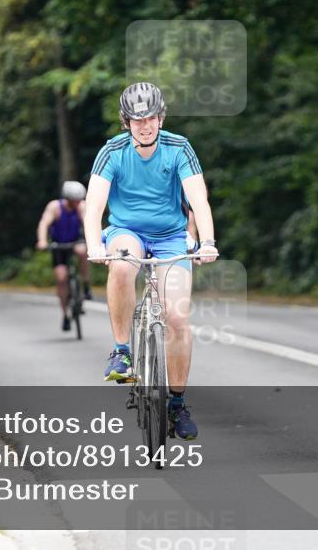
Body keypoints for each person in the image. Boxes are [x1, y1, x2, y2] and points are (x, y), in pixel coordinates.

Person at [84, 81, 218, 441]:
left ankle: (176, 403)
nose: (145, 126)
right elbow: (95, 205)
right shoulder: (112, 151)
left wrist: (207, 241)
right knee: (123, 265)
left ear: (161, 118)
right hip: (127, 230)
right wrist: (94, 243)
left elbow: (199, 200)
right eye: (137, 120)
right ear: (126, 122)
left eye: (151, 118)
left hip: (172, 235)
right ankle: (122, 352)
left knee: (177, 316)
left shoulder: (179, 148)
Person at [36, 180, 92, 331]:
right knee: (61, 279)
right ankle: (65, 314)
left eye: (80, 199)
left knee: (82, 251)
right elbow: (44, 224)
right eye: (75, 200)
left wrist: (92, 241)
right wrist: (42, 240)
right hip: (58, 245)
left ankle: (85, 285)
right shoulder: (55, 207)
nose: (78, 202)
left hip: (76, 242)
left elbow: (88, 222)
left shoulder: (81, 207)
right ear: (67, 199)